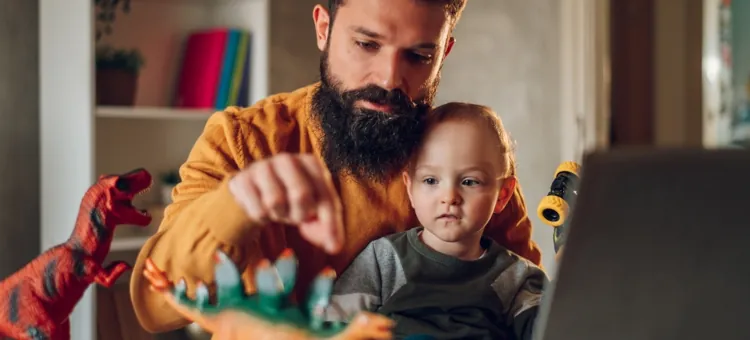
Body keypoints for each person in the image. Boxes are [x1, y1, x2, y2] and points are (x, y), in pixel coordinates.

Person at [129, 0, 543, 333]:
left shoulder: (466, 150)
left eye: (418, 55)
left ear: (444, 50)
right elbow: (154, 306)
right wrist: (238, 204)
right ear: (323, 27)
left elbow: (528, 302)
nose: (389, 78)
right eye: (366, 44)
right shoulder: (244, 140)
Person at [322, 103, 548, 340]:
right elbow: (334, 327)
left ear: (502, 195)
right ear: (410, 189)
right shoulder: (385, 259)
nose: (449, 197)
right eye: (431, 180)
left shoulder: (516, 276)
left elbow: (554, 330)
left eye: (470, 182)